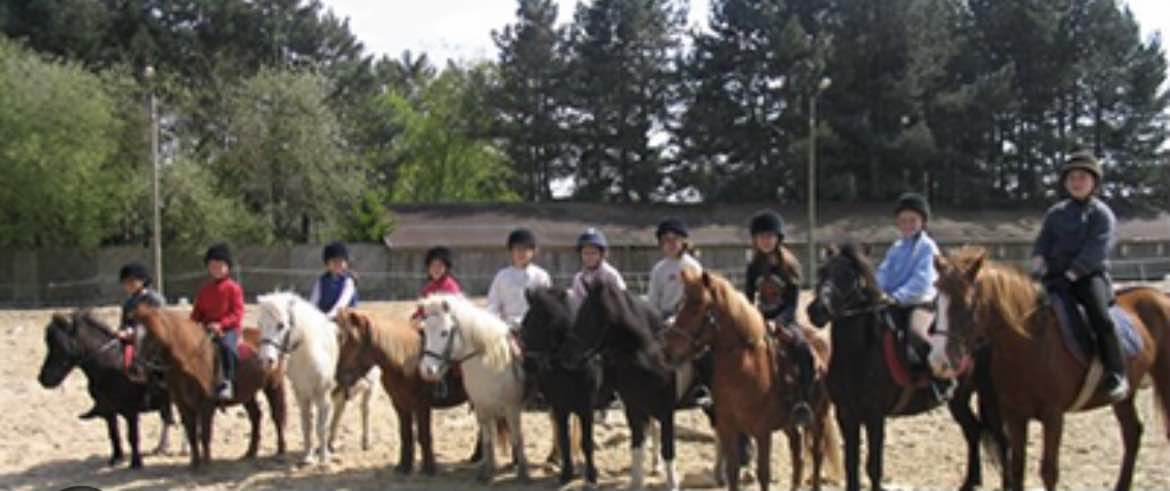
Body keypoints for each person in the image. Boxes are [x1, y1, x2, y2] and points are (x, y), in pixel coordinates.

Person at [1032, 150, 1127, 402]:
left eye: (1082, 177)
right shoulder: (1055, 213)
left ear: (1093, 182)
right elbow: (1043, 242)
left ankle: (1116, 371)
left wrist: (1073, 274)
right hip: (1055, 276)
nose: (1076, 182)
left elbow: (1097, 249)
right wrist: (1039, 263)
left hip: (1088, 276)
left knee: (1101, 318)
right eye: (1072, 178)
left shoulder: (1101, 214)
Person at [874, 192, 952, 401]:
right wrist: (877, 291)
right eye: (903, 220)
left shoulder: (928, 247)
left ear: (922, 222)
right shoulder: (896, 248)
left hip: (921, 302)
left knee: (916, 333)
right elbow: (883, 273)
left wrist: (898, 296)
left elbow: (923, 280)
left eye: (912, 220)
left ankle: (939, 379)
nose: (907, 224)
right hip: (893, 301)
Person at [745, 210, 815, 426]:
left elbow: (792, 304)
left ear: (778, 238)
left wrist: (779, 322)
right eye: (761, 237)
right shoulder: (753, 268)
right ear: (756, 240)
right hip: (758, 321)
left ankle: (804, 401)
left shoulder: (789, 267)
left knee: (803, 350)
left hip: (785, 320)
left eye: (770, 236)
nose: (765, 240)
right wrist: (755, 320)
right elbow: (748, 299)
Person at [78, 263, 166, 419]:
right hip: (129, 338)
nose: (128, 286)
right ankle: (104, 399)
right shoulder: (129, 302)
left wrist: (133, 332)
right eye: (125, 283)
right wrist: (121, 332)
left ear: (142, 280)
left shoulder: (154, 299)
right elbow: (125, 322)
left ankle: (153, 387)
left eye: (131, 281)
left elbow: (157, 321)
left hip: (150, 338)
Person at [191, 243, 245, 400]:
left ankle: (227, 381)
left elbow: (237, 312)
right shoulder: (204, 290)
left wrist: (221, 324)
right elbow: (197, 313)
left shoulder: (233, 288)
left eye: (220, 265)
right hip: (207, 329)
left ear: (227, 267)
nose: (216, 269)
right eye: (212, 266)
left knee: (226, 347)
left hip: (228, 329)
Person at [486, 228, 552, 330]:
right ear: (511, 251)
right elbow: (493, 305)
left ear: (533, 251)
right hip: (506, 327)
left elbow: (547, 306)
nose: (522, 253)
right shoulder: (502, 276)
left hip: (533, 328)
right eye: (517, 249)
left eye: (526, 249)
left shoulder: (541, 276)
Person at [646, 218, 702, 320]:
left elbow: (696, 298)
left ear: (683, 242)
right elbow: (653, 299)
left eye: (675, 239)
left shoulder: (692, 266)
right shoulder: (658, 269)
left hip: (687, 317)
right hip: (662, 316)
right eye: (666, 240)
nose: (671, 244)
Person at [569, 228, 627, 314]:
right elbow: (576, 307)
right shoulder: (578, 279)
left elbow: (623, 302)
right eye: (585, 253)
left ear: (602, 254)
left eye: (593, 253)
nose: (589, 257)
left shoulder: (610, 275)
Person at [309, 241, 358, 320]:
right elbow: (313, 301)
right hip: (323, 317)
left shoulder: (348, 281)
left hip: (344, 318)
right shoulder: (321, 281)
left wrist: (327, 317)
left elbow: (341, 304)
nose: (338, 264)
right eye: (334, 261)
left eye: (341, 261)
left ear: (346, 263)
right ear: (327, 263)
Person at [413, 246, 464, 320]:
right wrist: (416, 318)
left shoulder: (451, 286)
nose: (436, 269)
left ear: (446, 268)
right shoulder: (427, 289)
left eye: (439, 266)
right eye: (433, 265)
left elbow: (453, 312)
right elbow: (420, 312)